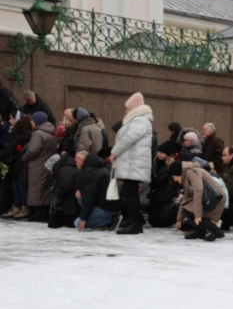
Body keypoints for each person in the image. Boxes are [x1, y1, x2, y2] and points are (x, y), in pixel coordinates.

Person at [110, 92, 153, 235]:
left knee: (130, 193)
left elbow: (128, 138)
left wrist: (114, 152)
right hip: (133, 163)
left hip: (134, 163)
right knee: (129, 192)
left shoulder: (139, 121)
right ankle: (133, 221)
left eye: (128, 108)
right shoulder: (139, 120)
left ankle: (135, 223)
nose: (126, 111)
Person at [170, 161, 226, 242]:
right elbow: (186, 198)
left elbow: (199, 191)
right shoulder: (187, 176)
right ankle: (200, 232)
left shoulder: (191, 172)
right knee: (189, 208)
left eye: (174, 177)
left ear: (178, 173)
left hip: (215, 199)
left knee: (191, 211)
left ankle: (215, 230)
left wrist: (198, 214)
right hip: (208, 199)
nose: (175, 180)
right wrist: (179, 219)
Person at [22, 112, 57, 222]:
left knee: (35, 190)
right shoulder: (50, 133)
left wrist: (24, 157)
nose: (31, 122)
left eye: (32, 120)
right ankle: (43, 213)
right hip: (46, 165)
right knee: (44, 189)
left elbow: (33, 150)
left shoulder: (37, 134)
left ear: (37, 121)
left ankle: (35, 215)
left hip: (36, 166)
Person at [73, 152, 121, 231]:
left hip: (107, 207)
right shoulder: (99, 169)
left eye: (76, 161)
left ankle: (110, 220)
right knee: (79, 195)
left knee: (77, 223)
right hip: (110, 204)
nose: (76, 164)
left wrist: (83, 219)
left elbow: (89, 197)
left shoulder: (89, 173)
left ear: (81, 161)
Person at [0, 113, 32, 219]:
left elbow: (15, 146)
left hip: (19, 163)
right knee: (16, 185)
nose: (9, 121)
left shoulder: (24, 133)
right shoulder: (16, 132)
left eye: (11, 118)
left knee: (19, 185)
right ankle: (17, 206)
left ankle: (22, 206)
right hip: (15, 161)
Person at [148, 141, 182, 228]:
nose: (159, 154)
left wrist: (162, 198)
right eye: (158, 152)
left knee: (159, 222)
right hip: (157, 197)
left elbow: (172, 186)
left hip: (164, 199)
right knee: (154, 221)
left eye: (161, 153)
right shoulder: (157, 165)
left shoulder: (171, 167)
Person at [48, 153, 80, 228]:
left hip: (68, 203)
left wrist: (59, 198)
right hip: (73, 202)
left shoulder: (63, 170)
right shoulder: (71, 168)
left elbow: (65, 186)